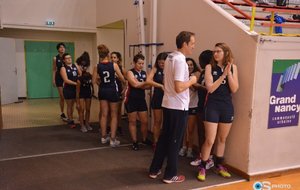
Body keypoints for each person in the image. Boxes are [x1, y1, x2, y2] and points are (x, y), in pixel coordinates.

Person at [149, 31, 198, 184]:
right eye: (192, 44)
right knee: (175, 141)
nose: (193, 47)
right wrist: (192, 80)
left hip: (169, 104)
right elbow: (179, 87)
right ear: (184, 44)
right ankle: (170, 175)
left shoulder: (170, 57)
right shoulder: (180, 60)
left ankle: (154, 169)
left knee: (164, 138)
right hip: (177, 106)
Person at [197, 43, 239, 181]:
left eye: (218, 51)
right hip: (212, 106)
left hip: (227, 106)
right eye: (214, 51)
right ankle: (203, 166)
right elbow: (210, 88)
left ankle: (219, 165)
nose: (215, 54)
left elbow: (234, 89)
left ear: (226, 53)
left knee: (222, 139)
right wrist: (223, 75)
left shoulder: (233, 67)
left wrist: (229, 73)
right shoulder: (209, 67)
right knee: (210, 140)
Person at [92, 44, 126, 147]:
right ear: (108, 54)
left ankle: (103, 137)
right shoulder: (114, 65)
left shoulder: (97, 66)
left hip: (102, 90)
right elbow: (121, 78)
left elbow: (94, 81)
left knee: (104, 114)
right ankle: (112, 139)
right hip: (112, 90)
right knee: (114, 115)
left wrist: (101, 84)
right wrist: (125, 84)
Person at [190, 50, 215, 169]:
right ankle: (202, 155)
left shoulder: (212, 73)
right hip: (200, 105)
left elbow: (210, 89)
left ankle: (209, 158)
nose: (199, 63)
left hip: (209, 106)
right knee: (200, 132)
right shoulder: (203, 72)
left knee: (209, 135)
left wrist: (200, 86)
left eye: (201, 61)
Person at [124, 53, 152, 151]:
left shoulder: (144, 73)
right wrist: (143, 84)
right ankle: (135, 141)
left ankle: (144, 139)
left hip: (141, 99)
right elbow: (134, 84)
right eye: (139, 63)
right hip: (131, 99)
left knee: (144, 121)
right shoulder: (130, 72)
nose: (141, 65)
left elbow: (149, 86)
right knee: (133, 121)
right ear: (134, 63)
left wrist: (140, 83)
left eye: (142, 63)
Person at [146, 52, 168, 150]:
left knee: (167, 122)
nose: (161, 65)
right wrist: (160, 85)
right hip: (158, 97)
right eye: (159, 63)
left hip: (168, 98)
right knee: (157, 121)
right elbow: (148, 80)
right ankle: (156, 142)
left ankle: (166, 143)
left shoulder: (170, 70)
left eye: (163, 63)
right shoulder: (155, 69)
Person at [178, 58, 200, 158]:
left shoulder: (195, 76)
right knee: (182, 128)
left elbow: (194, 88)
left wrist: (189, 80)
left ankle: (190, 149)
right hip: (183, 105)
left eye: (191, 64)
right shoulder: (181, 76)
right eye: (187, 65)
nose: (190, 66)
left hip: (193, 105)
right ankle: (183, 147)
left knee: (190, 130)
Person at [60, 53, 82, 128]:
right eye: (67, 58)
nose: (69, 59)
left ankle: (81, 118)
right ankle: (70, 120)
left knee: (79, 105)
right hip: (68, 89)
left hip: (77, 89)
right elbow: (66, 80)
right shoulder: (63, 68)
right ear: (64, 60)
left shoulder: (75, 65)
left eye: (70, 57)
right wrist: (76, 83)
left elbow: (81, 74)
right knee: (70, 106)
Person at [76, 51, 93, 133]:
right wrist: (77, 102)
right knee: (81, 110)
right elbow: (77, 91)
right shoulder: (79, 79)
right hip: (81, 95)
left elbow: (93, 83)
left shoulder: (90, 75)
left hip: (88, 94)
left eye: (86, 66)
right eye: (83, 66)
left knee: (88, 109)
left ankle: (87, 123)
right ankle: (82, 125)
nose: (84, 67)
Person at [111, 51, 127, 135]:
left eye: (114, 57)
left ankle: (119, 126)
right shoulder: (108, 67)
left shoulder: (121, 68)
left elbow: (125, 81)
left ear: (118, 59)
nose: (113, 59)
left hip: (119, 90)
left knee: (118, 111)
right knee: (111, 111)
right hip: (111, 91)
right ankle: (110, 127)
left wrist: (124, 91)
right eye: (112, 57)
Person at [52, 42, 68, 121]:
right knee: (62, 96)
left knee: (69, 96)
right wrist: (53, 79)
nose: (62, 48)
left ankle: (70, 113)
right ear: (58, 49)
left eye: (63, 47)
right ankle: (62, 113)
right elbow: (54, 69)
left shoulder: (68, 57)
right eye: (60, 47)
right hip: (59, 78)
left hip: (67, 77)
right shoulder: (55, 58)